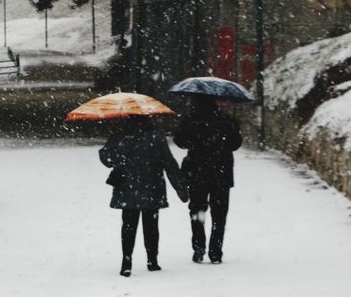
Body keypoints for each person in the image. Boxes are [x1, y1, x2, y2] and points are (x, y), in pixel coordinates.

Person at [99, 116, 188, 277]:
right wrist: (181, 189)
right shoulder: (156, 137)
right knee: (151, 226)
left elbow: (107, 160)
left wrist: (111, 141)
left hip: (127, 188)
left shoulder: (120, 135)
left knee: (128, 226)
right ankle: (152, 260)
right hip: (152, 186)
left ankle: (126, 262)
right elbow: (169, 163)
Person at [174, 95, 243, 264]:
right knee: (219, 214)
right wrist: (234, 126)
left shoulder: (190, 120)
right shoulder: (226, 121)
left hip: (197, 172)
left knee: (197, 210)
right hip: (221, 172)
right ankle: (215, 250)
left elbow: (180, 142)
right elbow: (235, 144)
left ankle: (198, 246)